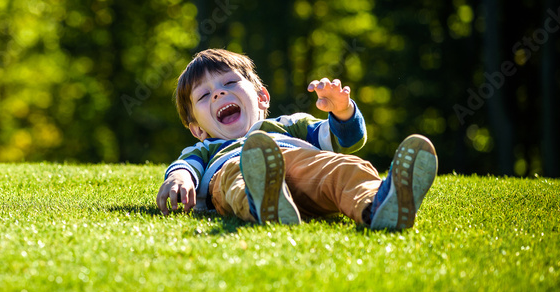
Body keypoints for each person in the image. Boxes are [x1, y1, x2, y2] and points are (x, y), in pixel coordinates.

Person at [155, 48, 437, 230]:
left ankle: (379, 203)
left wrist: (341, 111)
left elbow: (344, 141)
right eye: (204, 95)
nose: (218, 93)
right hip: (236, 169)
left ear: (262, 97)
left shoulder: (289, 125)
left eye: (229, 83)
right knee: (236, 178)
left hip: (301, 165)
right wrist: (179, 180)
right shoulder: (206, 149)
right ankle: (263, 200)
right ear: (197, 128)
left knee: (341, 167)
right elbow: (185, 167)